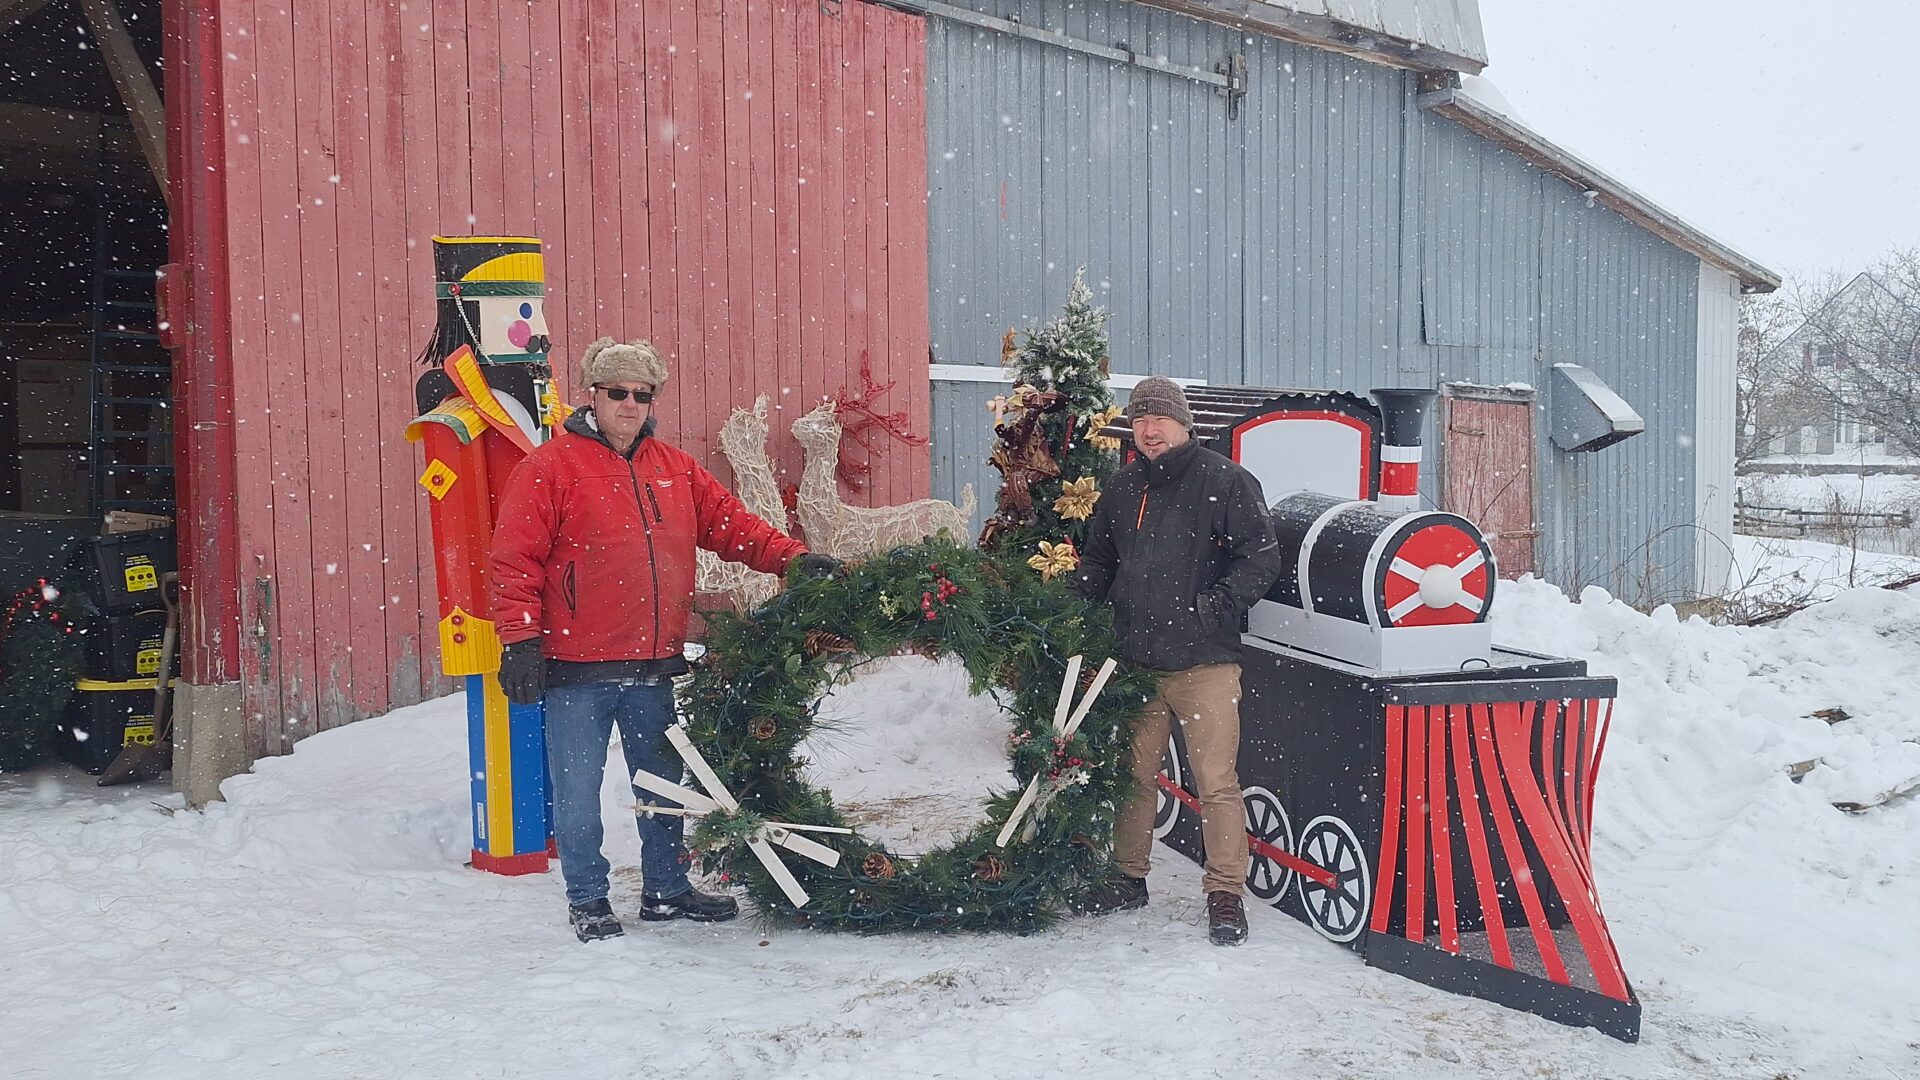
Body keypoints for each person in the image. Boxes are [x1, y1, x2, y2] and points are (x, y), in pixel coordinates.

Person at [491, 337, 839, 943]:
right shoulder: (551, 468)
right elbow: (513, 560)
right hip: (577, 664)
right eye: (618, 392)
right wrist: (520, 639)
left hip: (655, 663)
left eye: (642, 394)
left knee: (662, 785)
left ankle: (666, 888)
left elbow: (733, 526)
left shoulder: (674, 469)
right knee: (577, 789)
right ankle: (588, 897)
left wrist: (792, 560)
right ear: (592, 395)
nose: (630, 404)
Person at [1073, 376, 1283, 946]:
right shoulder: (1122, 487)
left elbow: (1260, 558)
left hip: (1203, 665)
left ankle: (1224, 894)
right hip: (1137, 661)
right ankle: (1127, 877)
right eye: (1140, 420)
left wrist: (1213, 607)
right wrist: (1075, 603)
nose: (1148, 430)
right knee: (1135, 775)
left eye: (1159, 419)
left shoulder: (1225, 481)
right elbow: (1099, 557)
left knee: (1216, 781)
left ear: (1184, 424)